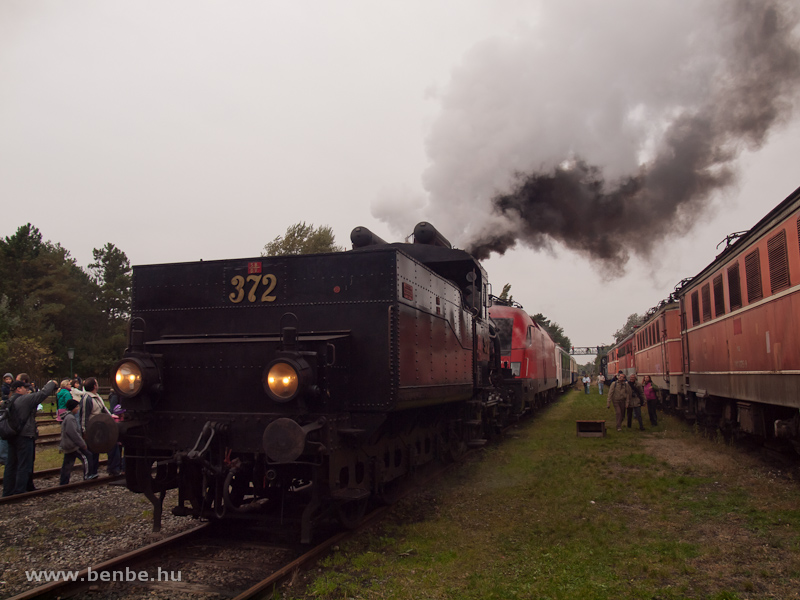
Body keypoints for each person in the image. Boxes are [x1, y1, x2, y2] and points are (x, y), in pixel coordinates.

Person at [3, 378, 58, 497]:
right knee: (24, 463)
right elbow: (43, 394)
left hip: (12, 435)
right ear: (18, 389)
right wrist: (51, 383)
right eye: (25, 388)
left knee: (11, 464)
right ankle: (20, 490)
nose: (27, 390)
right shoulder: (24, 399)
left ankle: (8, 491)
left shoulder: (10, 400)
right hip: (24, 435)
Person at [78, 377, 110, 478]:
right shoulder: (87, 398)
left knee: (96, 451)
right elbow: (84, 416)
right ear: (94, 386)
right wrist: (84, 430)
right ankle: (89, 472)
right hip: (91, 429)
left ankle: (94, 471)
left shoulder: (97, 397)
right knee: (90, 452)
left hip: (97, 429)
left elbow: (104, 409)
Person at [58, 399, 90, 485]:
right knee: (86, 457)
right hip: (73, 445)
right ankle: (87, 477)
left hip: (68, 444)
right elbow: (73, 433)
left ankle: (64, 481)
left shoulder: (68, 417)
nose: (78, 408)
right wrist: (82, 444)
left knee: (67, 463)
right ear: (73, 408)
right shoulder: (71, 418)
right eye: (77, 406)